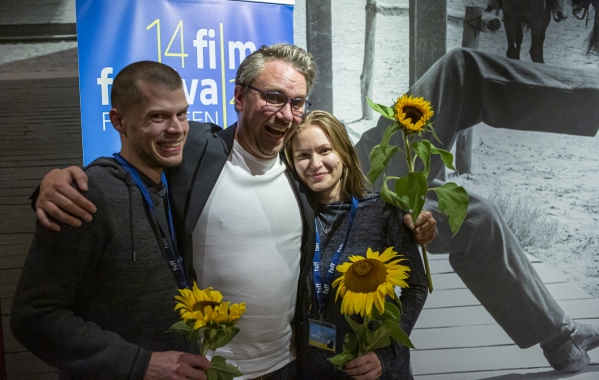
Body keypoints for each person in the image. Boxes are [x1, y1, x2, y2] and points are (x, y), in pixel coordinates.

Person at [30, 43, 437, 379]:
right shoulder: (194, 152)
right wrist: (53, 184)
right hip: (210, 369)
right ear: (239, 97)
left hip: (290, 367)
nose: (285, 113)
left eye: (296, 102)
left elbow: (348, 206)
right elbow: (131, 164)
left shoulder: (299, 175)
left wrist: (409, 220)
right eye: (273, 97)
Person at [355, 47, 599, 373]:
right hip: (348, 199)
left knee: (460, 70)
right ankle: (562, 338)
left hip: (350, 163)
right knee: (472, 214)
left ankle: (560, 340)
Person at [10, 61, 211, 379]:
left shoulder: (180, 177)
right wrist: (139, 364)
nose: (176, 128)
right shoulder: (88, 195)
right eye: (158, 116)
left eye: (181, 113)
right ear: (119, 121)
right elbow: (34, 317)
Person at [285, 110, 428, 379]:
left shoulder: (383, 212)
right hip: (314, 369)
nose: (315, 163)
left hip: (375, 369)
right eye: (303, 155)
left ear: (344, 152)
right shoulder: (295, 216)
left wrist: (386, 352)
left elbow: (417, 288)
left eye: (325, 150)